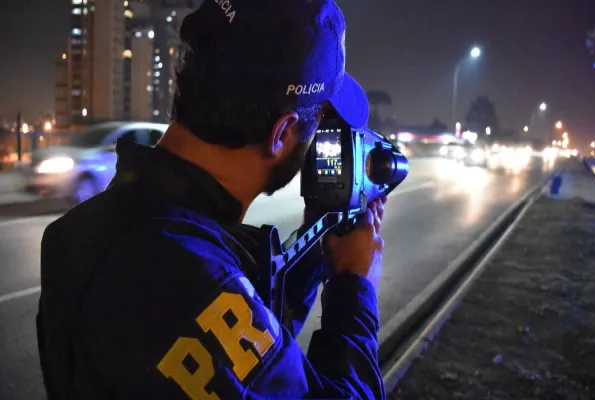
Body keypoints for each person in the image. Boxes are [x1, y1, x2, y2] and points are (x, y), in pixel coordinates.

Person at [36, 0, 387, 398]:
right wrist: (353, 286)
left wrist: (314, 250)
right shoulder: (190, 278)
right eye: (319, 119)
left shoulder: (91, 229)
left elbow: (253, 368)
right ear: (281, 133)